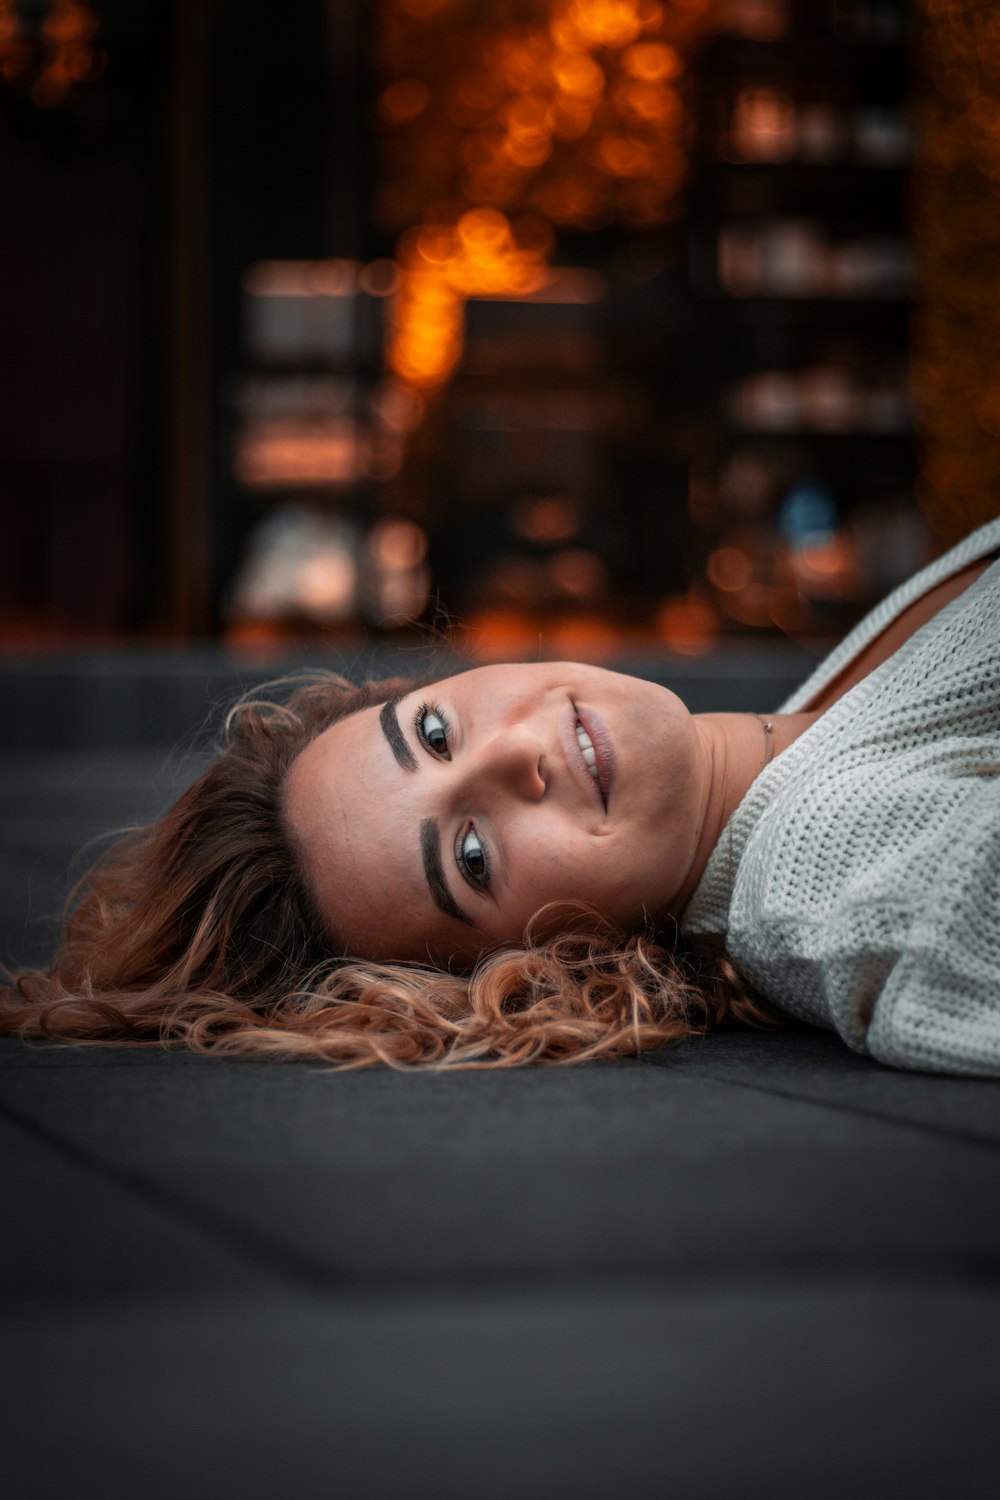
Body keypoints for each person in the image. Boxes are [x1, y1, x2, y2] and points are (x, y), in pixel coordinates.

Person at [3, 516, 998, 1074]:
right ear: (548, 966)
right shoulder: (847, 888)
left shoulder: (813, 725)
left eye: (433, 731)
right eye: (471, 858)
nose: (512, 759)